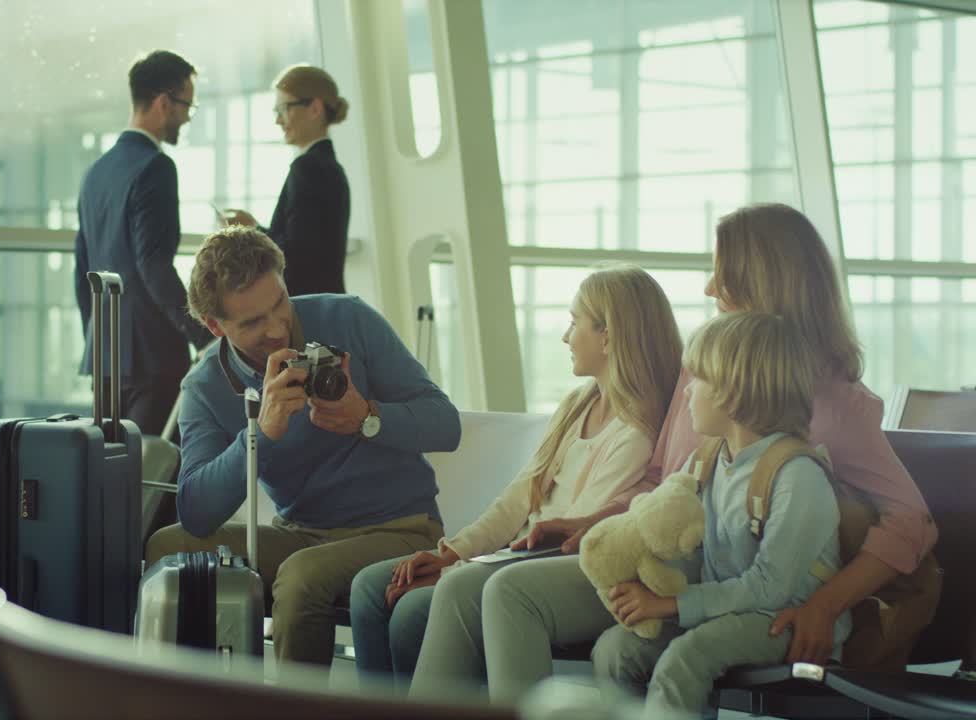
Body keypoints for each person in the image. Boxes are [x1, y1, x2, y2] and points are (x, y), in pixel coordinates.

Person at [452, 203, 937, 704]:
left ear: (762, 280)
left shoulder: (838, 406)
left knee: (506, 594)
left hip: (729, 592)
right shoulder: (701, 370)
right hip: (675, 571)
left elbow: (910, 524)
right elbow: (665, 481)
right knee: (466, 594)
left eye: (721, 274)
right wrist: (592, 522)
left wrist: (825, 605)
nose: (708, 289)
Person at [143, 225, 459, 667]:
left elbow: (447, 425)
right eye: (253, 322)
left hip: (400, 529)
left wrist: (367, 416)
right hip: (303, 535)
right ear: (215, 326)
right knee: (165, 547)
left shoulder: (349, 318)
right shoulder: (205, 386)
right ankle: (186, 698)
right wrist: (260, 434)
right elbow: (197, 512)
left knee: (300, 576)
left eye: (279, 304)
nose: (276, 328)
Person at [371, 266, 680, 690]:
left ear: (607, 337)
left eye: (574, 323)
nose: (565, 337)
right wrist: (451, 554)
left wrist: (454, 570)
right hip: (512, 559)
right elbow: (518, 498)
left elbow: (565, 541)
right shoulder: (578, 403)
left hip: (538, 567)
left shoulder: (633, 435)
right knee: (374, 590)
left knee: (413, 611)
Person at [591, 310, 851, 717]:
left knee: (687, 657)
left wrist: (671, 605)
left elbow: (770, 589)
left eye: (698, 380)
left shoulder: (797, 475)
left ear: (735, 391)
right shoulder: (707, 460)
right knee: (614, 650)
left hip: (782, 618)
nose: (687, 392)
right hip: (723, 606)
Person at [73, 50, 213, 542]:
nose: (186, 118)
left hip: (108, 360)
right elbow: (154, 265)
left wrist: (99, 338)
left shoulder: (98, 172)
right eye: (185, 106)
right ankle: (149, 596)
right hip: (153, 355)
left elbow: (81, 271)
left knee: (113, 481)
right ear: (161, 102)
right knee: (156, 484)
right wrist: (201, 332)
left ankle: (103, 587)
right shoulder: (156, 167)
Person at [222, 65, 351, 297]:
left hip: (306, 305)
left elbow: (295, 255)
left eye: (283, 109)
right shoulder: (330, 168)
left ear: (314, 108)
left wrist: (251, 232)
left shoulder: (308, 168)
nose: (278, 121)